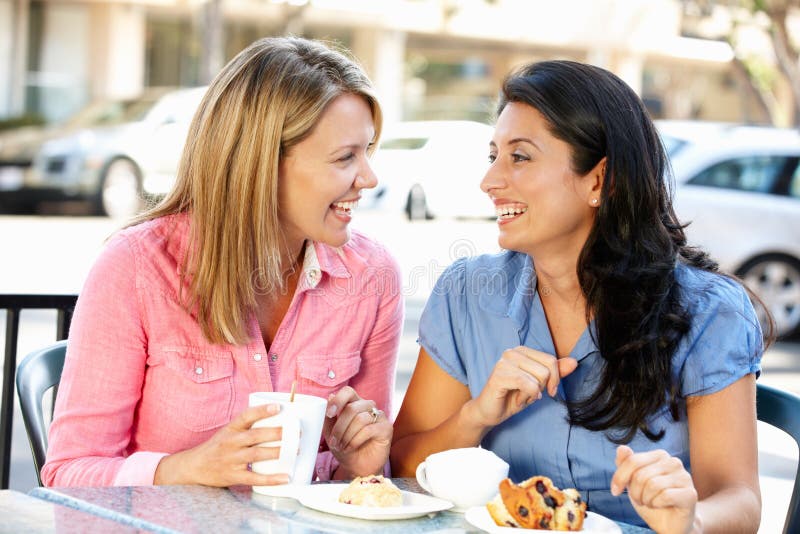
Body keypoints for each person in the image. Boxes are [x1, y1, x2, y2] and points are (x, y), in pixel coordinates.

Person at [391, 60, 766, 533]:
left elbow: (740, 499)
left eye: (520, 157)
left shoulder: (710, 312)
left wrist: (689, 521)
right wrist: (476, 416)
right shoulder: (466, 295)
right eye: (494, 156)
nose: (489, 182)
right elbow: (403, 467)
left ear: (599, 180)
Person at [42, 36, 403, 488]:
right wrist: (187, 469)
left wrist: (359, 466)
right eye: (345, 157)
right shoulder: (135, 267)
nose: (369, 178)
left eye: (368, 151)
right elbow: (67, 474)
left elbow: (360, 488)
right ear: (261, 163)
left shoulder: (372, 277)